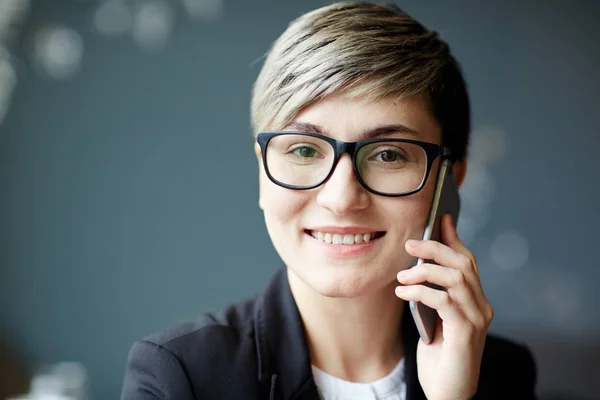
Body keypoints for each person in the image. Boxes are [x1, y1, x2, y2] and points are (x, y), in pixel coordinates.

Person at [121, 2, 537, 399]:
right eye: (304, 150)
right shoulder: (180, 377)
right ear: (262, 171)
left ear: (450, 179)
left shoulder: (500, 374)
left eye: (388, 154)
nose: (341, 198)